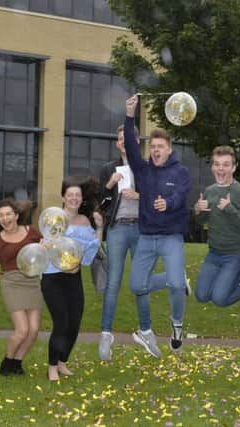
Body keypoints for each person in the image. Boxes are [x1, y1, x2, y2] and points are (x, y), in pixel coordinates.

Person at [124, 95, 191, 357]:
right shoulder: (143, 170)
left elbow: (181, 195)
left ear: (169, 149)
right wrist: (129, 116)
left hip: (171, 237)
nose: (155, 150)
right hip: (147, 237)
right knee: (137, 286)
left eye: (160, 146)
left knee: (175, 286)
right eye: (152, 146)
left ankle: (176, 326)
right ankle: (178, 281)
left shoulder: (181, 172)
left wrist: (169, 203)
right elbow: (130, 147)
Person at [97, 124, 170, 361]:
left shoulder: (148, 168)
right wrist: (109, 186)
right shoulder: (108, 168)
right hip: (118, 228)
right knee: (113, 282)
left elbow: (159, 199)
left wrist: (139, 195)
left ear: (136, 141)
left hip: (141, 228)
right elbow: (103, 203)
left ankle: (146, 331)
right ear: (118, 143)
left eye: (128, 138)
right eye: (120, 139)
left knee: (142, 282)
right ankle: (106, 335)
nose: (124, 141)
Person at [41, 176, 103, 381]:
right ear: (63, 197)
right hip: (52, 277)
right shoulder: (55, 219)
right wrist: (45, 245)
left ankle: (62, 362)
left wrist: (100, 228)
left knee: (74, 324)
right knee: (61, 323)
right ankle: (51, 367)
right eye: (70, 195)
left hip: (74, 278)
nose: (74, 198)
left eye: (77, 195)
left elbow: (92, 249)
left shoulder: (85, 221)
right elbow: (47, 245)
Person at [0, 198, 43, 376]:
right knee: (22, 329)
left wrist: (46, 247)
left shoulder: (31, 232)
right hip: (11, 282)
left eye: (8, 214)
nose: (4, 218)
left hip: (32, 282)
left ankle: (17, 363)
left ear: (16, 215)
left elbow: (44, 250)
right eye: (0, 215)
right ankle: (7, 361)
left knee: (34, 330)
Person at [193, 145, 240, 307]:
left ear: (234, 168)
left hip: (236, 255)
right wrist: (198, 210)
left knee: (220, 299)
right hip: (214, 253)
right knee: (201, 295)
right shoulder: (210, 191)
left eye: (225, 165)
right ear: (212, 167)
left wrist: (230, 209)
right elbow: (201, 221)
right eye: (217, 164)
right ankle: (234, 280)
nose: (220, 169)